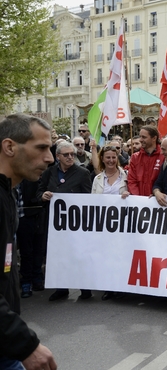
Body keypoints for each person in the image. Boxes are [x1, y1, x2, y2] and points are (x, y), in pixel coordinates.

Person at [0, 114, 58, 370]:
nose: (50, 158)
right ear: (10, 147)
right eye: (41, 148)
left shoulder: (9, 193)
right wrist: (26, 344)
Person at [38, 141, 93, 302]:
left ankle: (85, 288)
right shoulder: (49, 172)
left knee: (78, 254)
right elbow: (39, 191)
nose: (70, 157)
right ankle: (61, 288)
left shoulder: (82, 173)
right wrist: (43, 196)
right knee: (57, 255)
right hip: (55, 224)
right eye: (66, 155)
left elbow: (89, 198)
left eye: (72, 154)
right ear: (58, 157)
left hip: (76, 224)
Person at [92, 145, 129, 301]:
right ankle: (109, 287)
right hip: (104, 225)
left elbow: (135, 195)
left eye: (114, 157)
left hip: (123, 224)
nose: (111, 160)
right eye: (108, 157)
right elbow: (92, 200)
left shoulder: (126, 176)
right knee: (107, 256)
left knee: (121, 256)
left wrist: (129, 194)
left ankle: (122, 286)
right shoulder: (98, 179)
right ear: (102, 158)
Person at [127, 125, 165, 196]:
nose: (140, 140)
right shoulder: (135, 157)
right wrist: (138, 198)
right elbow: (131, 181)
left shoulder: (164, 156)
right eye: (140, 136)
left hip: (158, 201)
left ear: (154, 138)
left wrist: (157, 194)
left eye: (144, 137)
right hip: (140, 202)